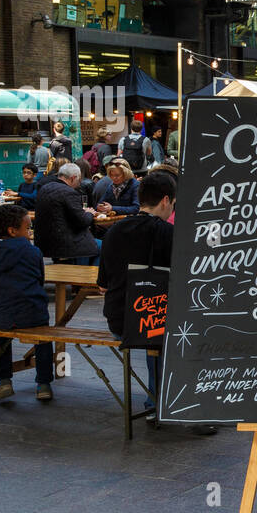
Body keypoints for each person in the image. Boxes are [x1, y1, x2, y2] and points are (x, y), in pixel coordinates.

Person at [98, 172, 176, 417]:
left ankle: (156, 400)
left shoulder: (114, 231)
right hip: (150, 323)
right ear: (165, 200)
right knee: (167, 329)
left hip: (118, 321)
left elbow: (103, 285)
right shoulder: (169, 233)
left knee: (155, 328)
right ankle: (161, 402)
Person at [0, 204, 56, 402]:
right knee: (43, 338)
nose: (30, 232)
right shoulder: (33, 252)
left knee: (1, 337)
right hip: (33, 313)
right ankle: (43, 383)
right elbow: (39, 281)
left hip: (1, 316)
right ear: (13, 231)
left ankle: (4, 379)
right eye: (28, 228)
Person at [34, 162, 100, 265]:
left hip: (46, 244)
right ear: (73, 178)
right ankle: (90, 277)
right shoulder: (68, 192)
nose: (79, 184)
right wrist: (90, 213)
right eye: (78, 180)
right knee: (103, 246)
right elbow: (83, 221)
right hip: (67, 244)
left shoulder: (45, 188)